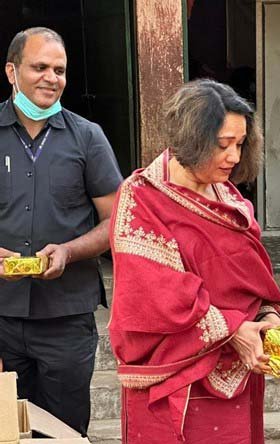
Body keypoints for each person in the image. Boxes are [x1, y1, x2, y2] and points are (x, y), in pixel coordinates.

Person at [109, 79, 280, 444]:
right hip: (173, 379)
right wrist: (232, 328)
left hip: (236, 377)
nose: (234, 157)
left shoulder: (228, 196)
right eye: (223, 145)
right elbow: (157, 293)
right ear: (191, 139)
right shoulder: (141, 199)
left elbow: (254, 281)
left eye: (241, 144)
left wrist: (267, 319)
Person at [0, 27, 122, 435]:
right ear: (12, 72)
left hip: (66, 317)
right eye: (40, 67)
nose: (52, 77)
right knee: (5, 428)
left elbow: (119, 221)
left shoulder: (87, 137)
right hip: (1, 315)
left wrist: (69, 251)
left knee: (64, 432)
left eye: (60, 69)